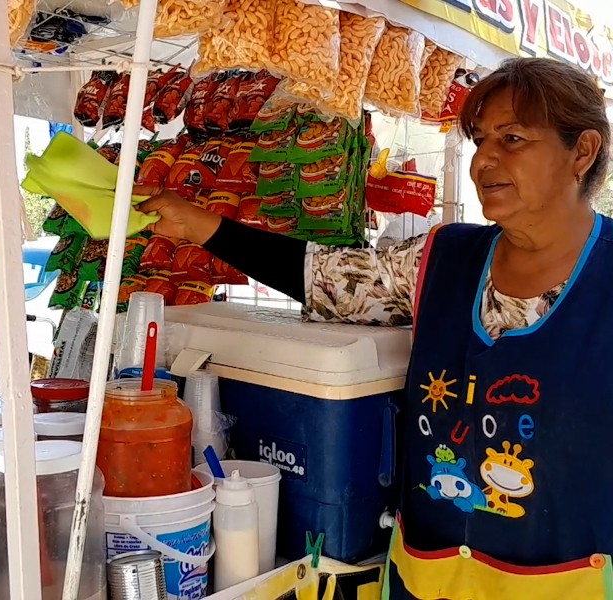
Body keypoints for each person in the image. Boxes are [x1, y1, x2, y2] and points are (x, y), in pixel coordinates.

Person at [134, 58, 613, 598]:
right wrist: (200, 225)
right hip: (429, 577)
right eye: (480, 139)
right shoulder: (442, 258)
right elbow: (327, 280)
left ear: (583, 151)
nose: (485, 160)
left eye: (513, 138)